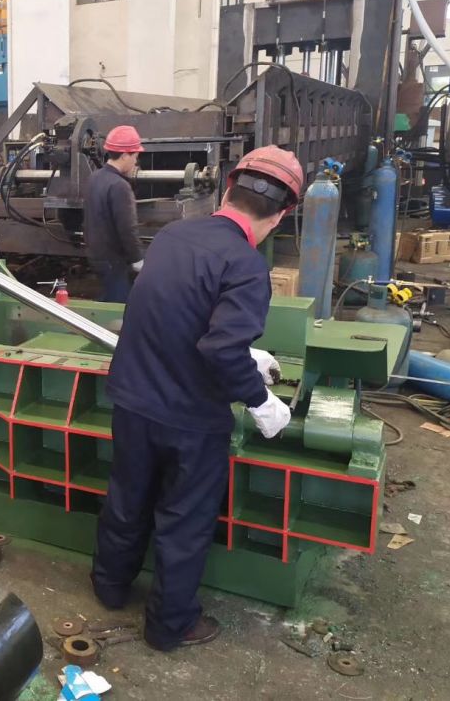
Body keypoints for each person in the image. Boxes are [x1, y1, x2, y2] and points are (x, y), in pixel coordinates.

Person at [92, 145, 304, 652]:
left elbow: (171, 311)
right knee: (183, 522)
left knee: (127, 499)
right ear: (281, 215)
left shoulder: (172, 235)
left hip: (133, 400)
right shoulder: (246, 266)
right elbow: (220, 347)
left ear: (228, 190)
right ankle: (170, 626)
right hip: (189, 419)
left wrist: (244, 354)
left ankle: (109, 587)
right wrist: (260, 400)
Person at [83, 125, 145, 303]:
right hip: (114, 261)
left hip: (97, 257)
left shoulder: (94, 178)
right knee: (118, 308)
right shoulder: (119, 186)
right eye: (135, 156)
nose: (135, 162)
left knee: (107, 299)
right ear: (125, 155)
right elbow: (127, 228)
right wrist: (138, 259)